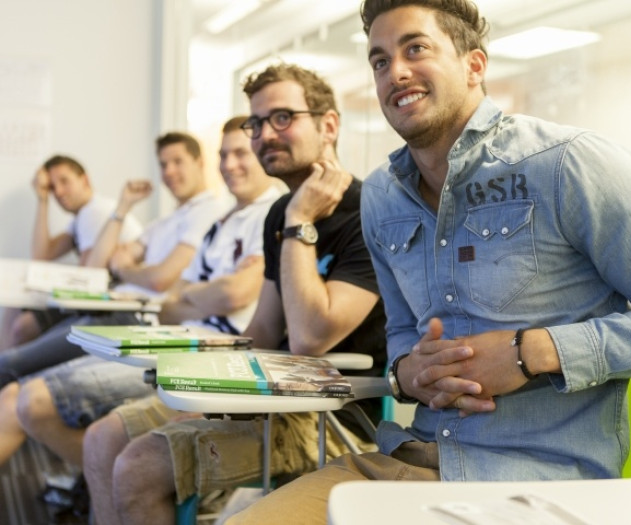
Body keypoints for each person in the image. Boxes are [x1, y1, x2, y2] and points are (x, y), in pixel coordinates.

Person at [227, 1, 631, 524]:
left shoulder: (567, 163)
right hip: (408, 459)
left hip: (535, 482)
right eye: (380, 60)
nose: (395, 71)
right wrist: (408, 373)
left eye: (415, 48)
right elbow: (401, 332)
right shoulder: (381, 196)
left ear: (474, 66)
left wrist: (534, 351)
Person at [81, 64, 388, 525]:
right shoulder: (280, 212)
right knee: (103, 438)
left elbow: (309, 337)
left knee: (138, 466)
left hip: (330, 414)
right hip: (267, 397)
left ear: (329, 126)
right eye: (256, 123)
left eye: (282, 117)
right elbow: (263, 328)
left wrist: (300, 223)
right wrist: (213, 395)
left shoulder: (368, 213)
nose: (265, 134)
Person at [0, 131, 228, 464]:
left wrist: (131, 269)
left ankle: (80, 472)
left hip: (135, 319)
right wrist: (123, 207)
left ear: (199, 162)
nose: (169, 171)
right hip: (116, 310)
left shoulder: (208, 210)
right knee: (13, 365)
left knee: (12, 371)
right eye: (163, 164)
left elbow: (157, 278)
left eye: (178, 162)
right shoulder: (166, 220)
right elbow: (107, 264)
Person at [0, 155, 142, 350]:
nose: (58, 192)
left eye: (64, 181)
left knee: (22, 326)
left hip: (115, 301)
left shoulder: (94, 212)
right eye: (52, 187)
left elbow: (88, 276)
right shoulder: (81, 217)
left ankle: (8, 363)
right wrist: (42, 199)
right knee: (14, 300)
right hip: (100, 295)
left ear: (85, 180)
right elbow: (41, 256)